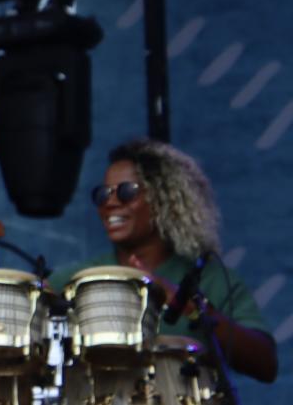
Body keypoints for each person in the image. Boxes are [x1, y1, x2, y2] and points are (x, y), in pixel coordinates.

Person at [47, 138, 277, 383]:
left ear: (163, 199)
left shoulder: (210, 279)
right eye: (102, 194)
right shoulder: (73, 280)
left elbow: (265, 364)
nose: (110, 203)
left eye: (126, 192)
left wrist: (189, 306)